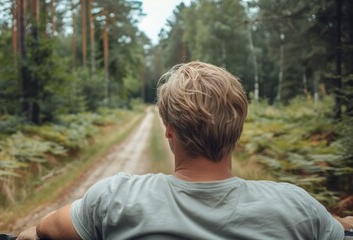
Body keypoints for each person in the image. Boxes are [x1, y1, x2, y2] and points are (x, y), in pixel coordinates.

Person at [18, 61, 353, 240]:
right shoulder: (296, 208)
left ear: (169, 130)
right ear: (237, 131)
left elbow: (44, 231)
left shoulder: (113, 199)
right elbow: (336, 227)